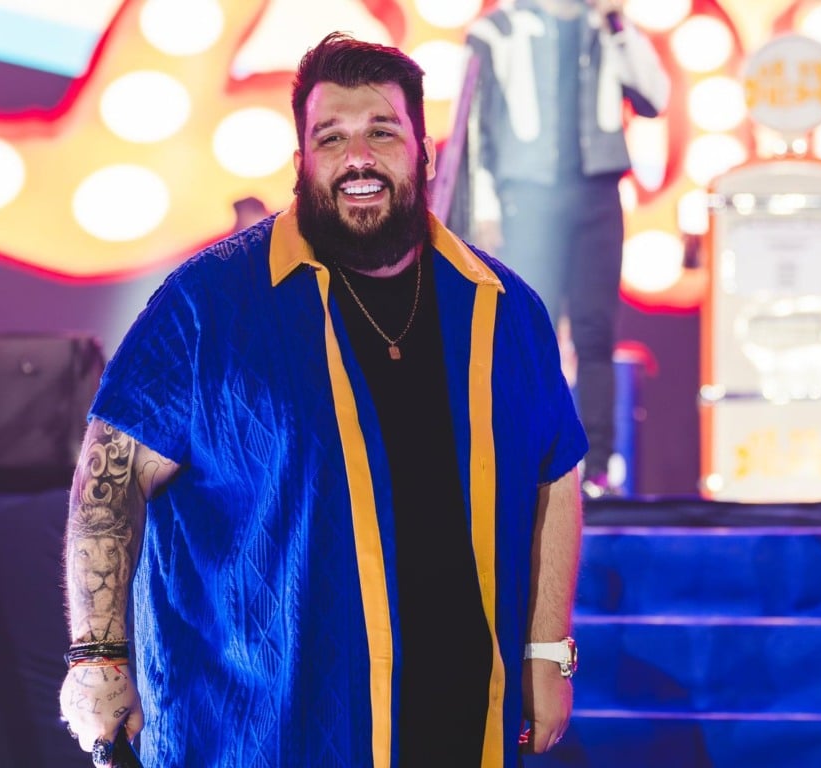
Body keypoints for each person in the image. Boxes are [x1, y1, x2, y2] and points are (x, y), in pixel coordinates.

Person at [59, 32, 586, 768]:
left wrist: (546, 650)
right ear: (301, 162)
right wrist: (97, 656)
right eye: (330, 138)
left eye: (382, 132)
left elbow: (554, 474)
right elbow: (108, 477)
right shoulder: (208, 304)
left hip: (458, 723)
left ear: (425, 152)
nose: (357, 158)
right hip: (254, 735)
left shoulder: (503, 307)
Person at [465, 0, 669, 497]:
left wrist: (618, 25)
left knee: (596, 332)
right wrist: (485, 206)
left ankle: (597, 468)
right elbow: (473, 126)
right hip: (527, 196)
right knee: (530, 334)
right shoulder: (499, 30)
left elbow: (654, 97)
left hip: (596, 193)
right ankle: (529, 465)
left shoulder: (607, 28)